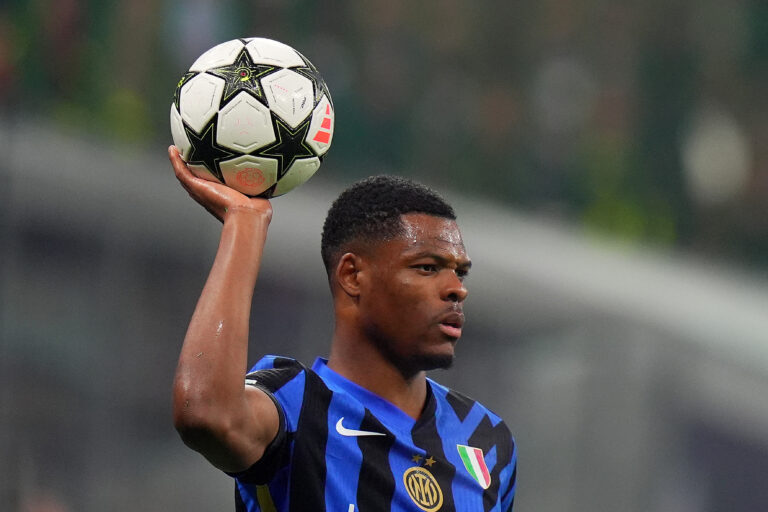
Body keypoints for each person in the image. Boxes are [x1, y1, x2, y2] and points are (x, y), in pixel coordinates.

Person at [168, 146, 517, 511]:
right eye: (428, 267)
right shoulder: (296, 405)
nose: (457, 288)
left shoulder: (488, 440)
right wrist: (244, 224)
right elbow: (206, 414)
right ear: (352, 275)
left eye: (460, 272)